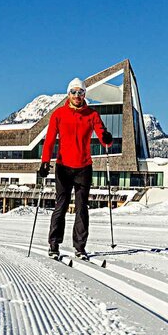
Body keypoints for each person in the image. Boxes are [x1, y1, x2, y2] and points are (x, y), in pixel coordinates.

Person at [39, 78, 113, 260]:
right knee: (61, 205)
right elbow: (50, 140)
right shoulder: (59, 114)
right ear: (68, 94)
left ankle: (80, 247)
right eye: (74, 92)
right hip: (63, 167)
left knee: (82, 208)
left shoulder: (92, 115)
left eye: (80, 92)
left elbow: (103, 137)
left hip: (84, 167)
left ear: (84, 94)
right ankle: (54, 244)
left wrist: (106, 138)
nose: (77, 95)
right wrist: (45, 162)